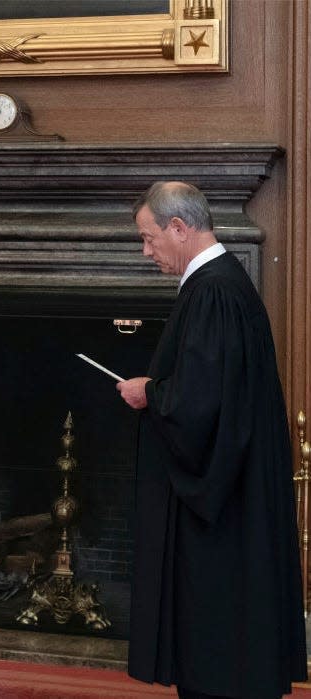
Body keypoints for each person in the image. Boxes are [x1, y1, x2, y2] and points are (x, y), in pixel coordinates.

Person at [117, 181, 307, 699]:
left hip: (221, 509)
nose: (146, 250)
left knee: (217, 642)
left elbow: (199, 404)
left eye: (149, 237)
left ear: (180, 228)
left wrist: (149, 393)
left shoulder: (215, 291)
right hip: (235, 492)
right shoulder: (221, 285)